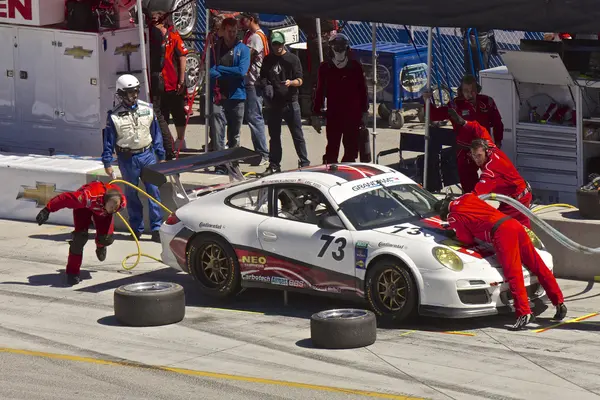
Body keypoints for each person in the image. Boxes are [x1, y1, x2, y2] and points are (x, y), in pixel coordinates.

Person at [435, 193, 567, 330]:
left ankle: (524, 313)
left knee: (513, 273)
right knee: (538, 265)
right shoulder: (467, 197)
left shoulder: (453, 215)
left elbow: (466, 239)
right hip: (513, 224)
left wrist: (454, 231)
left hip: (501, 232)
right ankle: (559, 302)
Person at [102, 74, 166, 242]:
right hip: (127, 158)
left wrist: (161, 155)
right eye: (130, 93)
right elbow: (108, 141)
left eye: (136, 92)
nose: (134, 96)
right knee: (131, 194)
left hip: (148, 156)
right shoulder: (113, 116)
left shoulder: (148, 109)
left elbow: (156, 134)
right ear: (121, 94)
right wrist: (107, 162)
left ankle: (157, 228)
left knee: (154, 192)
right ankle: (136, 228)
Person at [423, 74, 504, 192]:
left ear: (477, 90)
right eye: (466, 91)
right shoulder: (455, 105)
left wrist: (498, 142)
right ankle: (471, 206)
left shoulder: (488, 101)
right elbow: (434, 115)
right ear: (461, 91)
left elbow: (498, 123)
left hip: (486, 148)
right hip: (465, 151)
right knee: (469, 187)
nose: (470, 94)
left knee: (493, 180)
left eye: (473, 91)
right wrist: (426, 100)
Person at [35, 182, 126, 285]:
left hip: (103, 213)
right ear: (105, 201)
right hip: (84, 208)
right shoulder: (86, 197)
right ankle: (72, 272)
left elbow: (112, 208)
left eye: (116, 208)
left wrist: (110, 211)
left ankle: (100, 245)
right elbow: (65, 199)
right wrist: (47, 209)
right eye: (112, 207)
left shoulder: (121, 204)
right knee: (79, 239)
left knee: (106, 239)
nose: (114, 210)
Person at [312, 33, 369, 164]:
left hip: (353, 115)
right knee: (332, 149)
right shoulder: (325, 67)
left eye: (342, 46)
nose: (339, 49)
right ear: (331, 47)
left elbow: (363, 90)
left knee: (351, 151)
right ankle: (330, 174)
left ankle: (347, 174)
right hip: (334, 115)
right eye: (336, 46)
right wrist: (315, 114)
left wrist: (365, 111)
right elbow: (319, 91)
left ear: (346, 47)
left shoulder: (355, 66)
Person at [258, 31, 310, 174]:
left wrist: (291, 82)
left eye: (279, 44)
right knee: (274, 137)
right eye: (274, 44)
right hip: (274, 104)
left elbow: (300, 80)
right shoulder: (268, 60)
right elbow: (262, 77)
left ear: (284, 43)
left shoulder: (292, 59)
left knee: (297, 135)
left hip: (290, 102)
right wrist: (266, 85)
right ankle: (274, 164)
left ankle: (304, 162)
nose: (277, 47)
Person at [209, 17, 251, 175]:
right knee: (218, 132)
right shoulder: (215, 48)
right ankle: (220, 165)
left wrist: (220, 69)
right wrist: (221, 71)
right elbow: (210, 72)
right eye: (229, 31)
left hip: (237, 96)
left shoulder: (243, 49)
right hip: (219, 96)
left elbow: (241, 71)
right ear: (223, 30)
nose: (232, 34)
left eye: (235, 31)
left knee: (234, 133)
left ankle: (232, 163)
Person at [470, 138, 533, 229]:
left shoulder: (490, 171)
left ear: (486, 152)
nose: (476, 159)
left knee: (496, 226)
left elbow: (475, 196)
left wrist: (454, 204)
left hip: (516, 201)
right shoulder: (492, 148)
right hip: (520, 195)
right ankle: (528, 241)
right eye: (473, 155)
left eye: (479, 155)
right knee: (522, 228)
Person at [152, 10, 189, 153]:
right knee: (162, 113)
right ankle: (166, 142)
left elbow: (183, 57)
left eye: (155, 18)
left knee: (178, 112)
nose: (153, 20)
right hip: (158, 83)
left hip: (173, 82)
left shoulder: (173, 36)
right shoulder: (151, 36)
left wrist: (181, 80)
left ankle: (180, 140)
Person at [240, 12, 270, 166]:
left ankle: (263, 153)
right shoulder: (252, 35)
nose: (240, 22)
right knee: (252, 116)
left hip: (253, 82)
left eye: (243, 19)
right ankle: (260, 152)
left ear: (251, 19)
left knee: (254, 117)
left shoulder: (256, 37)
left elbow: (247, 56)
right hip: (252, 82)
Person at [148, 10, 176, 160]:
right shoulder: (156, 33)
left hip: (155, 76)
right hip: (157, 76)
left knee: (157, 114)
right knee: (158, 114)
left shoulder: (154, 33)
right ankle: (166, 148)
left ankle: (168, 148)